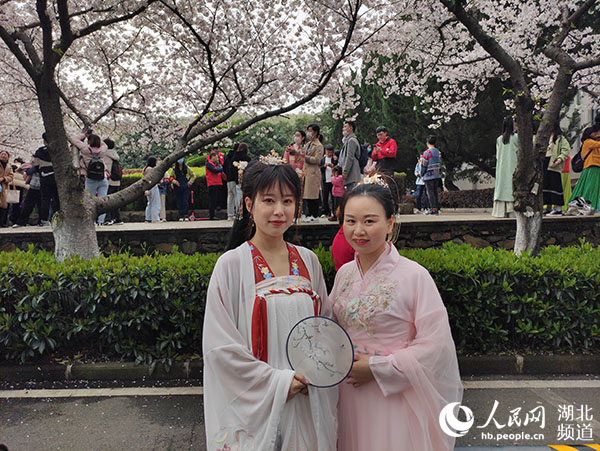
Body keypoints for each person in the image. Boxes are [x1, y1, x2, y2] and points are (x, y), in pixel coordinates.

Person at [203, 161, 337, 451]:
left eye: (287, 201)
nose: (279, 211)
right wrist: (279, 383)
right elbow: (220, 346)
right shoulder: (231, 265)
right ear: (249, 204)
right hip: (257, 406)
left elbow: (326, 326)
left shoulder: (309, 261)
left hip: (306, 400)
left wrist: (316, 373)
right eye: (268, 201)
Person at [330, 181, 463, 451]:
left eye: (369, 221)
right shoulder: (344, 274)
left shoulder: (414, 276)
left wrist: (378, 368)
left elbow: (436, 346)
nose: (359, 230)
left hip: (392, 396)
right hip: (347, 392)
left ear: (390, 223)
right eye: (351, 221)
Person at [70, 130, 109, 225]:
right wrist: (95, 134)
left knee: (89, 201)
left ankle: (91, 220)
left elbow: (73, 139)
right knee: (102, 201)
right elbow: (104, 144)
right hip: (103, 178)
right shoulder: (103, 150)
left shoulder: (85, 149)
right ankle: (100, 221)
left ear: (89, 141)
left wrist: (84, 135)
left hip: (91, 178)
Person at [568, 125, 600, 214]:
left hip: (593, 167)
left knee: (587, 187)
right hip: (592, 167)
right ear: (590, 134)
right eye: (595, 132)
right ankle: (588, 204)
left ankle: (580, 204)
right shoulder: (588, 142)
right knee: (591, 187)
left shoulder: (593, 142)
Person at [492, 116, 518, 218]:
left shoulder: (499, 139)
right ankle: (511, 209)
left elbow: (498, 156)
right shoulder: (516, 137)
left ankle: (501, 211)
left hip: (502, 167)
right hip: (513, 165)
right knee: (512, 186)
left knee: (502, 186)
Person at [542, 125, 571, 215]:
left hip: (554, 163)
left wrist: (559, 159)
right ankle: (548, 207)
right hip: (544, 162)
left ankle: (558, 208)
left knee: (555, 185)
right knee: (545, 185)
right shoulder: (544, 136)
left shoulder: (560, 138)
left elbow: (566, 149)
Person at [34, 133, 60, 225]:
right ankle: (58, 219)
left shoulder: (39, 151)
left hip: (44, 176)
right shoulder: (58, 150)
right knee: (57, 198)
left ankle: (44, 220)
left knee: (45, 199)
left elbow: (36, 165)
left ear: (44, 141)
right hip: (56, 177)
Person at [302, 123, 324, 222]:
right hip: (306, 171)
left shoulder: (319, 145)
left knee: (313, 194)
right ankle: (309, 214)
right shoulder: (308, 144)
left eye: (310, 131)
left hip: (313, 172)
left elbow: (317, 159)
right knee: (306, 194)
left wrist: (306, 157)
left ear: (315, 132)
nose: (308, 133)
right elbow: (302, 154)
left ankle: (314, 215)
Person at [12, 156, 42, 227]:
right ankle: (22, 222)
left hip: (42, 187)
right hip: (34, 186)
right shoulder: (32, 166)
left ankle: (42, 221)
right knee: (28, 205)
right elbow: (27, 171)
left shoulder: (43, 166)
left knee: (41, 205)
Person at [421, 135, 442, 215]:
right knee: (435, 191)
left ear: (427, 143)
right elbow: (440, 163)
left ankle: (433, 209)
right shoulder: (438, 152)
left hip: (428, 174)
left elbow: (424, 164)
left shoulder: (427, 153)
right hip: (436, 174)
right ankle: (436, 208)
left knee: (430, 192)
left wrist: (422, 173)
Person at [104, 138, 123, 225]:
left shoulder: (104, 154)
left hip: (109, 180)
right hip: (116, 181)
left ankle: (107, 219)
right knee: (116, 200)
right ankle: (117, 218)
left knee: (107, 200)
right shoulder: (115, 154)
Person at [340, 120, 362, 191]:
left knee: (352, 193)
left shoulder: (351, 140)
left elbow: (349, 157)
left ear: (351, 128)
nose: (343, 128)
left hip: (352, 173)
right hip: (351, 174)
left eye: (345, 126)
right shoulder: (349, 140)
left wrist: (345, 171)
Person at [206, 151, 224, 220]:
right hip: (212, 184)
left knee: (216, 200)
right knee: (212, 201)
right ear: (212, 157)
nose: (217, 159)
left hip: (217, 183)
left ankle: (213, 214)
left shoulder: (215, 164)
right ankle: (211, 215)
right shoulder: (209, 164)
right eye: (216, 157)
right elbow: (215, 171)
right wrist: (221, 168)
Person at [320, 145, 336, 218]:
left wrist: (333, 166)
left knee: (333, 197)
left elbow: (338, 167)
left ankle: (333, 211)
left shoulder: (334, 159)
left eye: (330, 152)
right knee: (325, 197)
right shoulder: (323, 159)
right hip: (325, 180)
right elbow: (320, 168)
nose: (329, 153)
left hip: (333, 180)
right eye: (327, 152)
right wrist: (324, 166)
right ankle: (325, 211)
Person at [143, 157, 161, 223]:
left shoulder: (145, 168)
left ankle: (148, 218)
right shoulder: (150, 169)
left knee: (150, 203)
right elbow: (151, 178)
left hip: (148, 187)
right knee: (155, 203)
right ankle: (155, 218)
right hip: (153, 187)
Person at [0, 150, 14, 227]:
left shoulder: (9, 166)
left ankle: (2, 222)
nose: (3, 156)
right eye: (2, 154)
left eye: (5, 154)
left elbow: (11, 176)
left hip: (4, 187)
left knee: (4, 205)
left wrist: (4, 179)